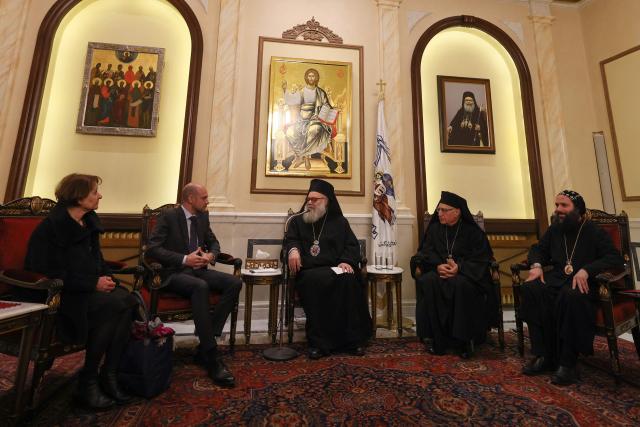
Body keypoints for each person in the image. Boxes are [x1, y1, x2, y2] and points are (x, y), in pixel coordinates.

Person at [25, 174, 137, 409]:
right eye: (95, 192)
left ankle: (109, 375)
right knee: (115, 305)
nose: (100, 196)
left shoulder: (89, 223)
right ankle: (88, 382)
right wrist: (92, 284)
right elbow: (47, 272)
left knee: (128, 301)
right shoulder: (51, 229)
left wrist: (107, 279)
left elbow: (98, 261)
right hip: (58, 296)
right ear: (77, 196)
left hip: (85, 290)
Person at [520, 190, 623, 385]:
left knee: (571, 296)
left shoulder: (593, 231)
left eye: (564, 206)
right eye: (557, 205)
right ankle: (544, 355)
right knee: (532, 289)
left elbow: (614, 258)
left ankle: (568, 363)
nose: (558, 210)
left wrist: (587, 270)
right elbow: (537, 250)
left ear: (578, 210)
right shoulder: (555, 229)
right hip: (558, 279)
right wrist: (536, 266)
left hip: (584, 284)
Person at [146, 183, 241, 387]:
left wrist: (210, 255)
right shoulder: (169, 217)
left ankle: (207, 340)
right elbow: (153, 248)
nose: (207, 202)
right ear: (190, 199)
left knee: (234, 282)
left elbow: (214, 243)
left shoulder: (203, 217)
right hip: (172, 273)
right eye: (204, 198)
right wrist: (183, 259)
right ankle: (210, 354)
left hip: (198, 270)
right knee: (200, 286)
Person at [286, 179, 372, 359]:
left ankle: (353, 341)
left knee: (349, 279)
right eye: (309, 199)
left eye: (315, 199)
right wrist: (293, 251)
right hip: (310, 270)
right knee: (314, 281)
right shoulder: (297, 221)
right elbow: (291, 240)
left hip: (335, 268)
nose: (310, 202)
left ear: (326, 201)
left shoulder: (340, 222)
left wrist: (347, 261)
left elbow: (351, 245)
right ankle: (318, 344)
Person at [411, 191, 496, 358]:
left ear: (457, 211)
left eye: (444, 210)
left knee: (461, 285)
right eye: (439, 211)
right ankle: (437, 339)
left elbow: (481, 259)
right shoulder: (435, 229)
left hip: (466, 275)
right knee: (428, 281)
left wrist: (460, 268)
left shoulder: (473, 232)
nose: (440, 214)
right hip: (440, 272)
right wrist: (437, 266)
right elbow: (424, 253)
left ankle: (465, 341)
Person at [282, 68, 335, 170]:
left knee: (313, 130)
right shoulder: (301, 91)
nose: (311, 78)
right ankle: (304, 157)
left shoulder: (320, 92)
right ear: (306, 77)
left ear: (316, 78)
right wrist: (284, 90)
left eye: (313, 76)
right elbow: (292, 100)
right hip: (301, 120)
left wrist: (319, 115)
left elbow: (327, 106)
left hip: (316, 120)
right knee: (290, 132)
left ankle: (304, 157)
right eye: (309, 76)